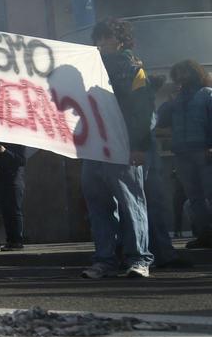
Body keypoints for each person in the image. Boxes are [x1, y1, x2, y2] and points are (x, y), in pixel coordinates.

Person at [80, 18, 154, 279]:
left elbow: (143, 109)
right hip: (94, 147)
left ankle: (139, 259)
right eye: (98, 38)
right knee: (98, 204)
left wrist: (138, 145)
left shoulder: (132, 68)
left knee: (130, 202)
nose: (101, 43)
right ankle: (105, 259)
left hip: (122, 145)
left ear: (121, 40)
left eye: (106, 38)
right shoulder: (89, 67)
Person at [156, 60, 212, 249]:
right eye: (178, 73)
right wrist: (169, 102)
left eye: (185, 72)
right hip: (182, 153)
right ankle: (205, 235)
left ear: (195, 73)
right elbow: (161, 120)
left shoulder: (206, 94)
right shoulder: (177, 99)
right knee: (194, 196)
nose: (181, 77)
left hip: (204, 151)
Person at [0, 142, 27, 250]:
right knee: (5, 211)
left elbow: (21, 161)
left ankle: (17, 241)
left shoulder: (18, 142)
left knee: (14, 210)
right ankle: (10, 240)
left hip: (14, 179)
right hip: (1, 180)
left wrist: (5, 151)